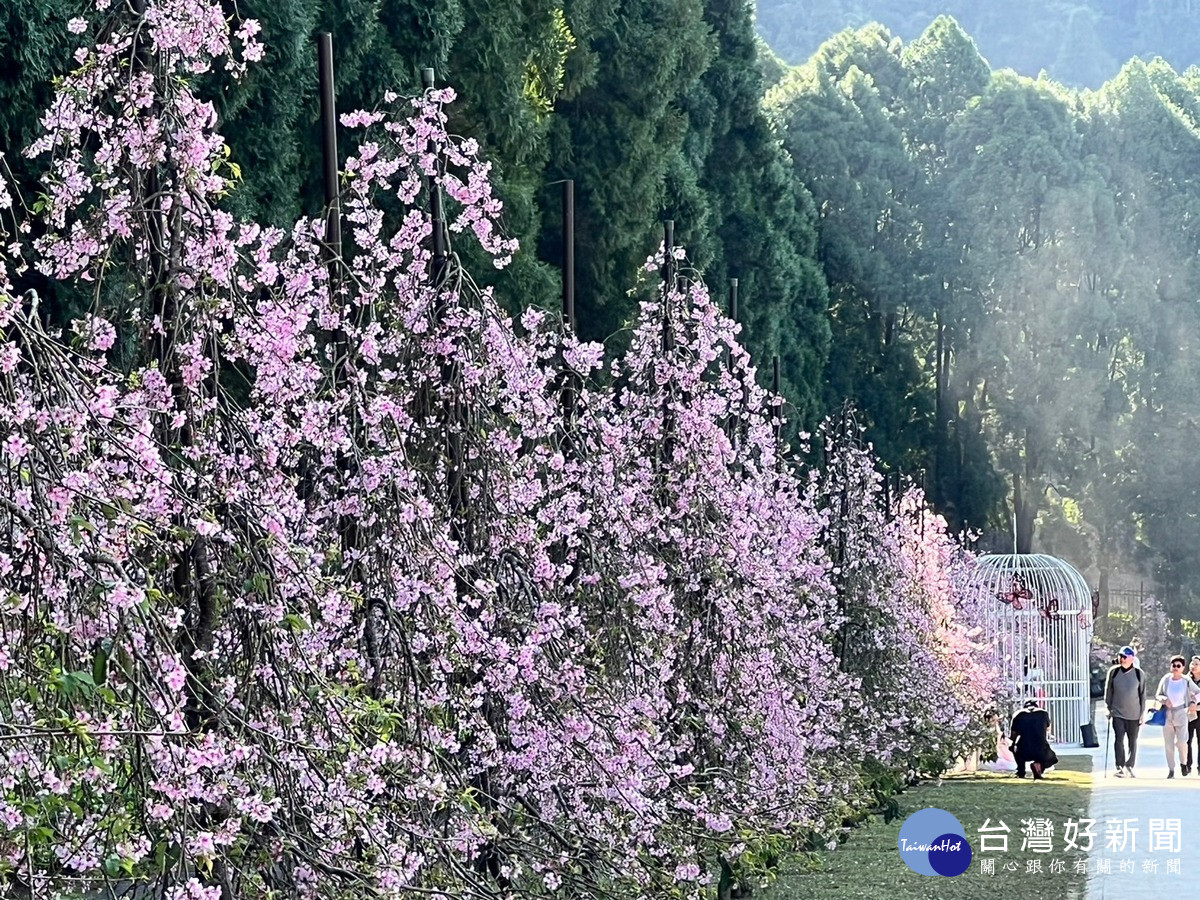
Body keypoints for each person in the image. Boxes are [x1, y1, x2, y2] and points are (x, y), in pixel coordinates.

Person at [1155, 655, 1200, 778]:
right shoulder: (1166, 679)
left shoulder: (1186, 680)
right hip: (1168, 713)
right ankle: (1171, 769)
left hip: (1181, 712)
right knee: (1168, 743)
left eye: (1178, 666)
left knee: (1182, 742)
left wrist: (1193, 702)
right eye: (1173, 665)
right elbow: (1158, 695)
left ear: (1183, 668)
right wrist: (1164, 699)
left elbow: (1198, 692)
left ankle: (1183, 763)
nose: (1175, 668)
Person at [1104, 645, 1145, 778]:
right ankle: (1120, 766)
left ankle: (1130, 765)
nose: (1122, 659)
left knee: (1132, 741)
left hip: (1134, 713)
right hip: (1117, 712)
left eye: (1125, 656)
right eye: (1120, 656)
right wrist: (1108, 707)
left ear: (1132, 658)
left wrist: (1141, 714)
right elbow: (1108, 691)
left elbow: (1142, 695)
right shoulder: (1114, 672)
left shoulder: (1139, 674)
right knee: (1119, 739)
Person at [1010, 699, 1058, 779]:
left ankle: (1021, 771)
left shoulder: (1018, 714)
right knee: (1052, 758)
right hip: (1040, 749)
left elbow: (1013, 734)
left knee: (1016, 749)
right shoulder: (1043, 713)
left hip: (1023, 749)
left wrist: (1013, 745)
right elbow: (1048, 728)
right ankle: (1038, 766)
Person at [1185, 657, 1200, 776]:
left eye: (1196, 664)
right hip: (1188, 714)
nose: (1193, 666)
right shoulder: (1185, 680)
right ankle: (1187, 765)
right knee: (1187, 740)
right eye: (1192, 663)